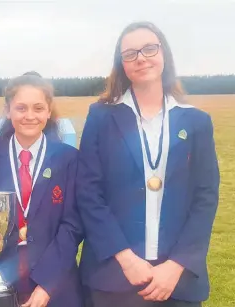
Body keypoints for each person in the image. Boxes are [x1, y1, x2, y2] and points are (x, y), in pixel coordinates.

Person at [77, 21, 220, 307]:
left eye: (149, 48)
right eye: (129, 53)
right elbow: (88, 193)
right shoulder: (101, 117)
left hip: (176, 280)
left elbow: (205, 197)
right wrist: (126, 259)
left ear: (163, 53)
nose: (140, 58)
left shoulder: (196, 121)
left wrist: (177, 264)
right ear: (122, 64)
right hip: (114, 276)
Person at [0, 72, 84, 307]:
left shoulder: (68, 159)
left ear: (48, 112)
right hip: (1, 287)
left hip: (56, 287)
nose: (30, 116)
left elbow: (73, 225)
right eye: (21, 108)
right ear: (8, 110)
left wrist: (47, 285)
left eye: (38, 108)